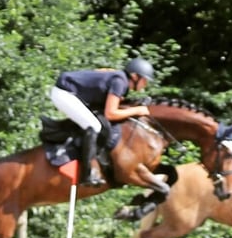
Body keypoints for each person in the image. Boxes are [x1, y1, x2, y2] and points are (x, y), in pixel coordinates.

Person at [50, 57, 155, 187]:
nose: (145, 84)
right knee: (94, 126)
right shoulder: (119, 82)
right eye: (144, 80)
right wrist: (136, 110)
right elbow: (110, 114)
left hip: (70, 93)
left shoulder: (120, 78)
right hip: (64, 93)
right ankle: (87, 175)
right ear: (134, 76)